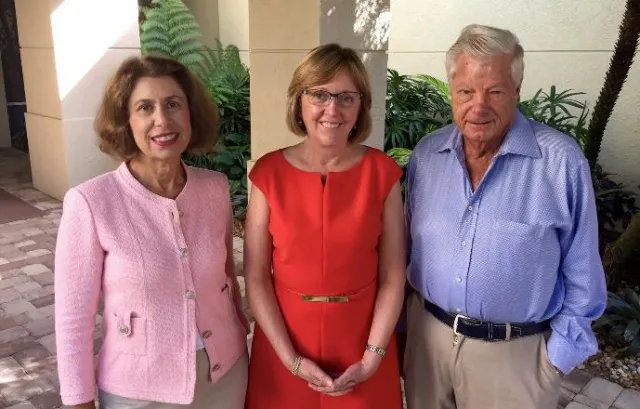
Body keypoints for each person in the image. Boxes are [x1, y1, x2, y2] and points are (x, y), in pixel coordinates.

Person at [402, 24, 607, 409]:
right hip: (427, 345)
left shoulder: (560, 163)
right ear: (452, 93)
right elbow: (408, 251)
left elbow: (583, 275)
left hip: (515, 361)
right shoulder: (427, 156)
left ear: (517, 90)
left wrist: (554, 361)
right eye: (466, 91)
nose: (478, 106)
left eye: (494, 91)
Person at [54, 55, 250, 409]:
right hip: (139, 393)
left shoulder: (214, 188)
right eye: (145, 107)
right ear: (125, 121)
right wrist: (79, 402)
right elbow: (73, 322)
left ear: (190, 114)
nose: (162, 120)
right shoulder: (91, 202)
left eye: (173, 104)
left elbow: (226, 281)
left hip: (225, 376)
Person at [243, 43, 406, 409]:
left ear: (360, 106)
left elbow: (393, 275)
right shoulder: (268, 174)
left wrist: (373, 357)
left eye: (346, 97)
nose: (332, 109)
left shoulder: (382, 173)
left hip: (363, 346)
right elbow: (256, 276)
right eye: (319, 95)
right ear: (299, 100)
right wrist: (291, 360)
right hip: (284, 346)